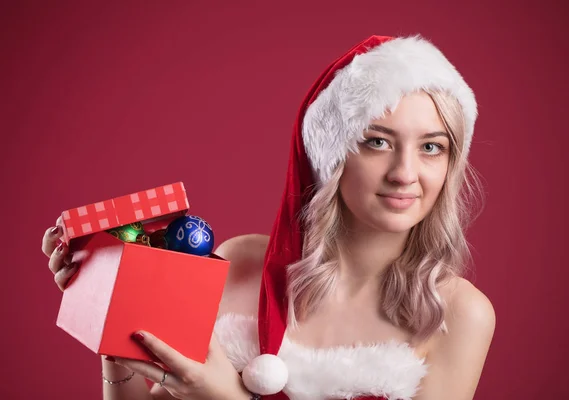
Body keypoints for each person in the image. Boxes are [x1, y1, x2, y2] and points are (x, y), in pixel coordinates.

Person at [41, 34, 496, 400]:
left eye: (431, 147)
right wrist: (116, 321)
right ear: (330, 155)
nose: (405, 173)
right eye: (377, 141)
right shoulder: (237, 263)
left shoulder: (460, 315)